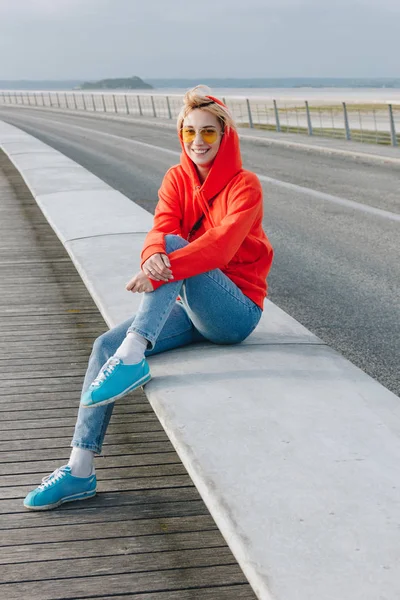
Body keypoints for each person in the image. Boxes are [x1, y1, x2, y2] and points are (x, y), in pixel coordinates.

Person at [23, 86, 274, 511]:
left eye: (209, 133)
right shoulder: (176, 178)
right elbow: (160, 228)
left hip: (234, 313)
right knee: (104, 345)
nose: (198, 141)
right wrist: (153, 255)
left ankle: (134, 352)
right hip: (188, 309)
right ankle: (80, 469)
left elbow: (220, 247)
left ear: (225, 136)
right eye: (190, 131)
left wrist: (163, 261)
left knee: (175, 248)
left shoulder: (244, 186)